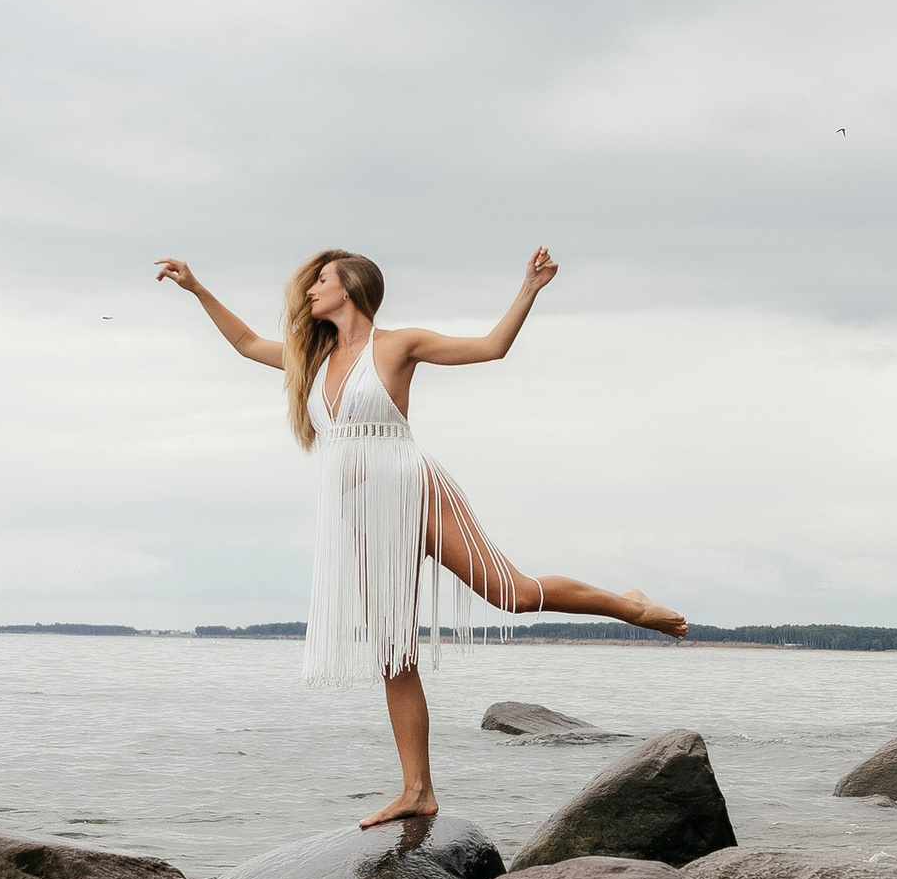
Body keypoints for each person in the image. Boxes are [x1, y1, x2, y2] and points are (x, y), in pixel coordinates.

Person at [155, 243, 685, 830]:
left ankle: (630, 606)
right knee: (392, 652)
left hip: (414, 488)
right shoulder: (314, 358)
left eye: (320, 281)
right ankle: (418, 791)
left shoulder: (398, 344)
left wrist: (529, 290)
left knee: (509, 592)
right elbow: (248, 344)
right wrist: (198, 289)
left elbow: (491, 348)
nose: (309, 291)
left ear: (351, 287)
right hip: (359, 511)